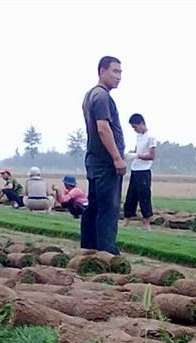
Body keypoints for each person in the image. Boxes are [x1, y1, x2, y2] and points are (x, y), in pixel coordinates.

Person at [81, 55, 126, 254]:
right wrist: (117, 157)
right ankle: (107, 253)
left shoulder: (90, 94)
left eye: (120, 72)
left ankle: (89, 250)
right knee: (108, 209)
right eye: (115, 71)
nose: (119, 76)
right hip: (105, 163)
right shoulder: (101, 96)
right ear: (101, 71)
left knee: (94, 207)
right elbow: (103, 128)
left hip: (94, 161)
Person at [123, 113, 156, 229]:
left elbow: (152, 155)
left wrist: (136, 156)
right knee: (131, 195)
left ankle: (146, 222)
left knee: (144, 196)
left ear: (141, 123)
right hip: (135, 169)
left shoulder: (151, 137)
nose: (135, 130)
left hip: (144, 170)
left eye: (135, 127)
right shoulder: (139, 137)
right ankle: (126, 220)